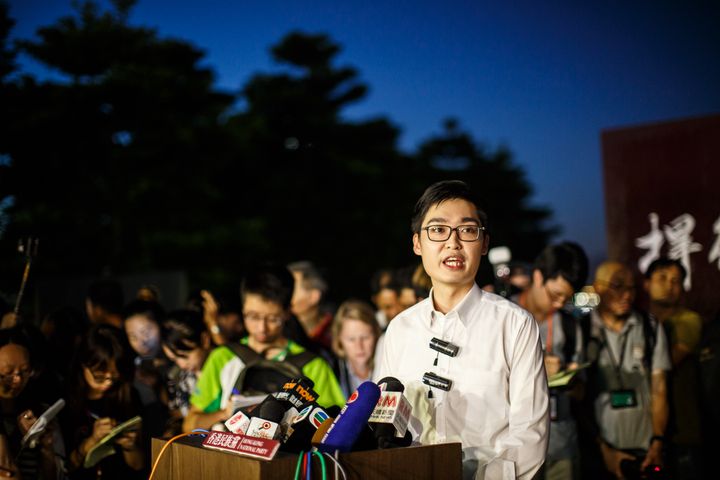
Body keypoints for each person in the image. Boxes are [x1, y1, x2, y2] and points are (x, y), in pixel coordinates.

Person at [375, 180, 549, 480]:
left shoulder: (515, 324)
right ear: (417, 243)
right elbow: (385, 423)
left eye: (467, 230)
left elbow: (530, 433)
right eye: (438, 230)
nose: (453, 243)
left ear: (484, 244)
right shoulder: (399, 329)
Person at [184, 265, 345, 431]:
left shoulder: (313, 365)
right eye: (253, 316)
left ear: (287, 312)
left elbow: (336, 426)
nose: (262, 328)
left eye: (272, 318)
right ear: (242, 310)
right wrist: (224, 413)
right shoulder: (223, 357)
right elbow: (190, 425)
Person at [582, 261, 671, 479]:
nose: (627, 295)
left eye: (631, 288)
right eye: (617, 286)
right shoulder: (582, 331)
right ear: (598, 288)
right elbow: (578, 398)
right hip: (600, 454)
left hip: (646, 451)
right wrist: (603, 450)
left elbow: (660, 389)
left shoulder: (649, 327)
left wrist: (658, 442)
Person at [512, 242, 589, 480]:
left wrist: (571, 379)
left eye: (566, 299)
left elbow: (582, 393)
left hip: (561, 445)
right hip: (513, 448)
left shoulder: (570, 326)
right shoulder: (503, 316)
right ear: (538, 277)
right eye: (555, 294)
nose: (559, 304)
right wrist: (536, 369)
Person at [643, 257, 703, 479]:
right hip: (644, 431)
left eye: (676, 281)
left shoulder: (689, 321)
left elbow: (666, 361)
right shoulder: (641, 322)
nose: (669, 285)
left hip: (682, 432)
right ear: (646, 284)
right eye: (662, 278)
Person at [61, 325, 145, 479]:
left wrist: (130, 446)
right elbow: (63, 468)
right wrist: (91, 441)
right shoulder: (64, 400)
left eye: (114, 377)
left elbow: (139, 466)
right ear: (83, 365)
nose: (107, 383)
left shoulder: (128, 396)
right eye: (99, 377)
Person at [0, 327, 64, 479]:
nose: (18, 380)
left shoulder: (40, 412)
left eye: (24, 371)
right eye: (8, 372)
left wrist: (46, 447)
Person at [160, 309, 212, 436]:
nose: (181, 364)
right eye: (174, 359)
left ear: (205, 340)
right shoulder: (180, 379)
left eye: (185, 355)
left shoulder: (225, 369)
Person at [331, 300, 381, 398]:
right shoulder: (333, 372)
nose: (359, 346)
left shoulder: (389, 365)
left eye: (365, 337)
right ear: (339, 340)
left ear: (376, 335)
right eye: (351, 339)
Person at [288, 261, 334, 350]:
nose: (284, 294)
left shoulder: (335, 335)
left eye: (292, 288)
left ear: (314, 297)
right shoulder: (280, 331)